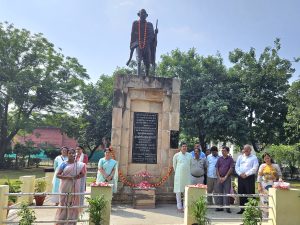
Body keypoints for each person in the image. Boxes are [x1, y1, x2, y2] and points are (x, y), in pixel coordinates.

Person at [55, 148, 87, 225]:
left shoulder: (79, 164)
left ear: (75, 155)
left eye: (73, 153)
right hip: (64, 186)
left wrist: (76, 177)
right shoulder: (64, 164)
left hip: (75, 185)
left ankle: (72, 221)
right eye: (70, 153)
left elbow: (83, 174)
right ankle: (61, 220)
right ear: (67, 154)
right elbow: (58, 175)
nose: (71, 154)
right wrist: (68, 178)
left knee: (73, 202)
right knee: (63, 202)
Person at [128, 9, 158, 76]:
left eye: (144, 14)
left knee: (147, 62)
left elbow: (152, 38)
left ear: (146, 16)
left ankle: (147, 76)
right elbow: (133, 36)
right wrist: (130, 55)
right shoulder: (135, 23)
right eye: (142, 13)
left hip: (147, 45)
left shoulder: (150, 25)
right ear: (139, 15)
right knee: (138, 60)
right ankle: (138, 76)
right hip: (139, 44)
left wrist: (156, 34)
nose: (143, 15)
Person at [235, 144, 259, 214]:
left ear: (250, 150)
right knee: (241, 193)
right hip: (241, 177)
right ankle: (242, 209)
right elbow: (237, 167)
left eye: (247, 149)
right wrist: (240, 174)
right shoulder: (240, 157)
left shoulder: (254, 157)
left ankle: (251, 210)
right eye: (245, 149)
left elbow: (255, 168)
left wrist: (246, 174)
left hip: (249, 178)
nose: (246, 151)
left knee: (250, 193)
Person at [173, 142, 192, 212]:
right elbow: (174, 166)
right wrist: (179, 172)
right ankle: (179, 206)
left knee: (185, 192)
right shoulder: (176, 155)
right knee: (178, 191)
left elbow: (191, 165)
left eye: (186, 146)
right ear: (180, 147)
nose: (184, 147)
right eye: (183, 146)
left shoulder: (190, 155)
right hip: (179, 176)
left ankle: (185, 206)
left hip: (187, 176)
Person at [215, 146, 234, 213]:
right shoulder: (219, 159)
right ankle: (220, 207)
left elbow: (231, 168)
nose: (223, 152)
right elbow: (217, 168)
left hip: (227, 178)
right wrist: (219, 177)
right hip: (219, 177)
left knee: (227, 193)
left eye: (224, 150)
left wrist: (225, 177)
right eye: (222, 150)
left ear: (228, 152)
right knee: (219, 192)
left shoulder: (230, 159)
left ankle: (227, 208)